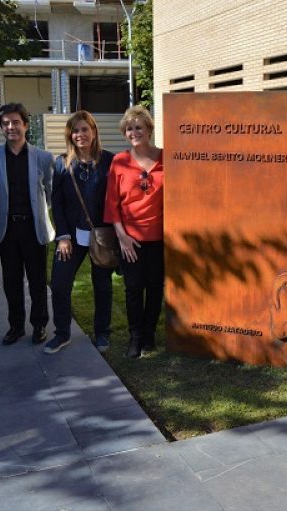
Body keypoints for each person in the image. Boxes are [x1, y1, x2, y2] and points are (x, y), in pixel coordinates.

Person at [0, 103, 55, 346]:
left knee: (37, 280)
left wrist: (39, 214)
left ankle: (39, 325)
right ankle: (15, 326)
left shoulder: (44, 158)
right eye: (5, 123)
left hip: (34, 229)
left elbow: (49, 191)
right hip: (7, 230)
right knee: (11, 281)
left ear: (25, 125)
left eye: (15, 122)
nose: (10, 127)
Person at [46, 111, 115, 354]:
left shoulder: (110, 161)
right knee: (60, 284)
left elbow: (115, 200)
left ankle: (103, 333)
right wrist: (62, 236)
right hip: (72, 237)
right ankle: (62, 333)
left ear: (94, 132)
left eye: (85, 129)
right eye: (75, 131)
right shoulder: (62, 163)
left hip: (102, 237)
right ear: (70, 135)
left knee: (103, 286)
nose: (80, 134)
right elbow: (58, 202)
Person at [105, 105, 164, 359]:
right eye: (129, 128)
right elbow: (111, 203)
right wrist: (122, 237)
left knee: (155, 288)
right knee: (133, 288)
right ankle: (135, 336)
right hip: (130, 240)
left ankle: (149, 334)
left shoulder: (166, 158)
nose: (134, 132)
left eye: (139, 127)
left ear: (149, 129)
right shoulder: (119, 162)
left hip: (160, 238)